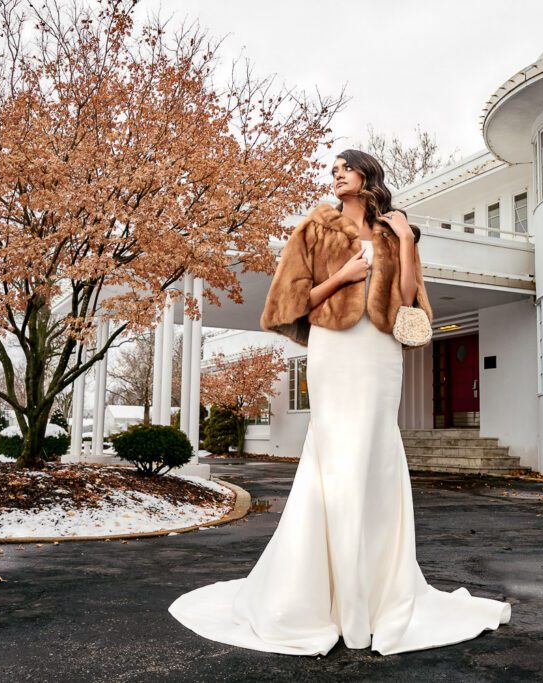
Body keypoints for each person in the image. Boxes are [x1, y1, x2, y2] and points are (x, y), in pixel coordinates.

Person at [168, 149, 511, 656]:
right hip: (334, 351)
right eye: (333, 171)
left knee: (376, 455)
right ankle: (323, 596)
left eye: (345, 168)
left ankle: (378, 594)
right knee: (337, 457)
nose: (337, 176)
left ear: (367, 175)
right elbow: (287, 305)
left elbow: (410, 301)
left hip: (381, 354)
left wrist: (409, 242)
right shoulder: (314, 228)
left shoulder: (395, 233)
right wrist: (343, 278)